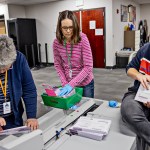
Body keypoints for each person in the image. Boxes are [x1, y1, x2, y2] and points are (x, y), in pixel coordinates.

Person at [0, 35, 38, 130]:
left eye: (5, 68)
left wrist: (31, 116)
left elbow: (29, 90)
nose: (1, 72)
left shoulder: (19, 59)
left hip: (13, 118)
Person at [53, 10, 94, 98]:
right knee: (72, 109)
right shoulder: (56, 43)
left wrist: (71, 85)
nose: (68, 31)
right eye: (64, 28)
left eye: (71, 27)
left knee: (87, 109)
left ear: (75, 26)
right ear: (60, 27)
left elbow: (88, 66)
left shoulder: (82, 39)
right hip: (68, 83)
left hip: (85, 84)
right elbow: (58, 65)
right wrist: (65, 83)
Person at [121, 43, 150, 150]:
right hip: (138, 93)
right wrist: (138, 75)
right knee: (128, 109)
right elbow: (129, 69)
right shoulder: (145, 49)